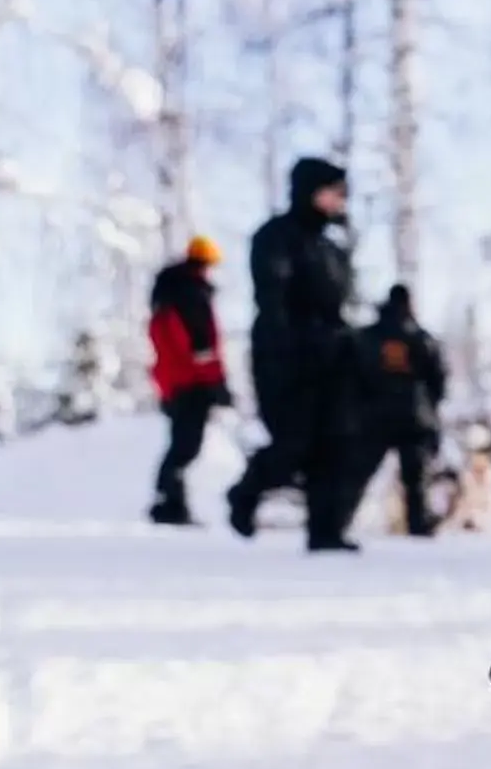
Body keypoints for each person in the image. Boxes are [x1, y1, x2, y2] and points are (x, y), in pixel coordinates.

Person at [227, 157, 360, 548]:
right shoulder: (276, 236)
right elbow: (273, 298)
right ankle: (247, 491)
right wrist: (288, 348)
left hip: (331, 357)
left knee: (334, 443)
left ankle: (326, 531)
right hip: (284, 355)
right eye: (334, 191)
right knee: (294, 442)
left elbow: (340, 303)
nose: (341, 201)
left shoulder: (331, 247)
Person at [146, 236, 231, 525]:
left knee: (182, 443)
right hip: (190, 384)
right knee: (185, 444)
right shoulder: (191, 296)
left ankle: (170, 500)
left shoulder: (170, 295)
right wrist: (215, 382)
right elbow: (200, 346)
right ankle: (169, 501)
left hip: (174, 383)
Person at [351, 284, 448, 536]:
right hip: (413, 416)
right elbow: (437, 379)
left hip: (376, 414)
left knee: (358, 473)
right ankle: (418, 524)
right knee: (415, 477)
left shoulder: (368, 337)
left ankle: (337, 520)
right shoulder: (421, 338)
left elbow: (356, 374)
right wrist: (430, 408)